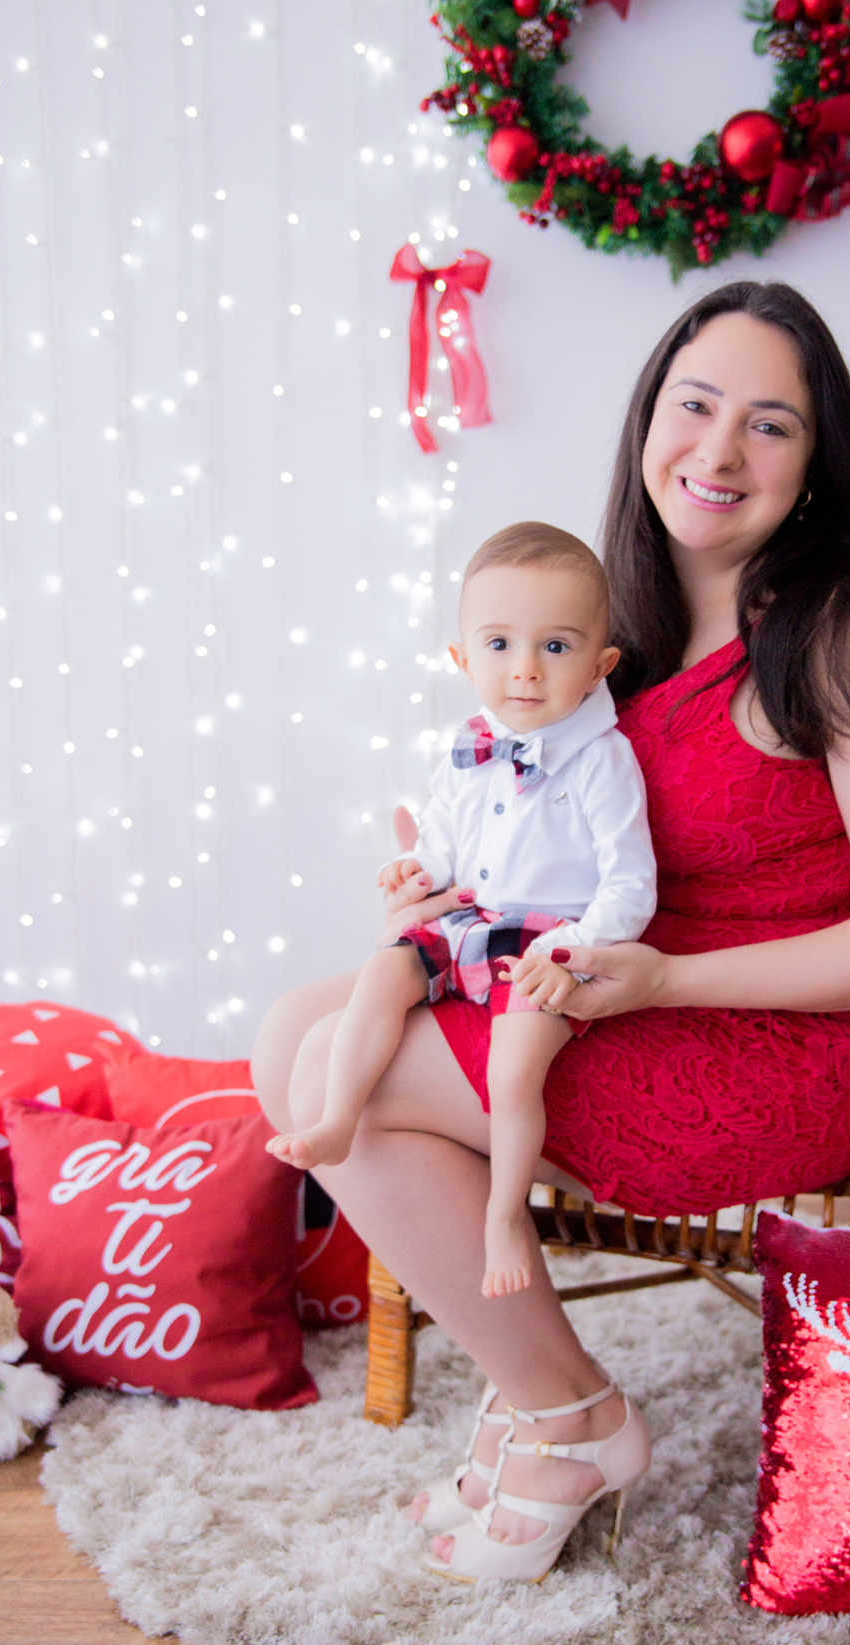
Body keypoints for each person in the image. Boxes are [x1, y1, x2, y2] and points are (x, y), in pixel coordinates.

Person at [252, 280, 850, 1585]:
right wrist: (442, 887)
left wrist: (667, 978)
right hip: (614, 982)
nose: (717, 452)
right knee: (298, 1032)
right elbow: (563, 843)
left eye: (770, 425)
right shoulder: (617, 622)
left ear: (819, 460)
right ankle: (546, 1390)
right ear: (647, 417)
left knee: (335, 1084)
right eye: (694, 406)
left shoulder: (849, 628)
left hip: (774, 1040)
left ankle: (574, 1419)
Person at [264, 522, 656, 1303]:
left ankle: (505, 1214)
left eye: (556, 647)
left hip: (548, 938)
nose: (525, 671)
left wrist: (575, 949)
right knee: (381, 977)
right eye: (500, 645)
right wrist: (420, 867)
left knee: (513, 1073)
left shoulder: (603, 759)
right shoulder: (469, 742)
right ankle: (340, 1116)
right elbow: (446, 836)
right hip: (468, 917)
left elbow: (630, 884)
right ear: (463, 659)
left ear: (599, 666)